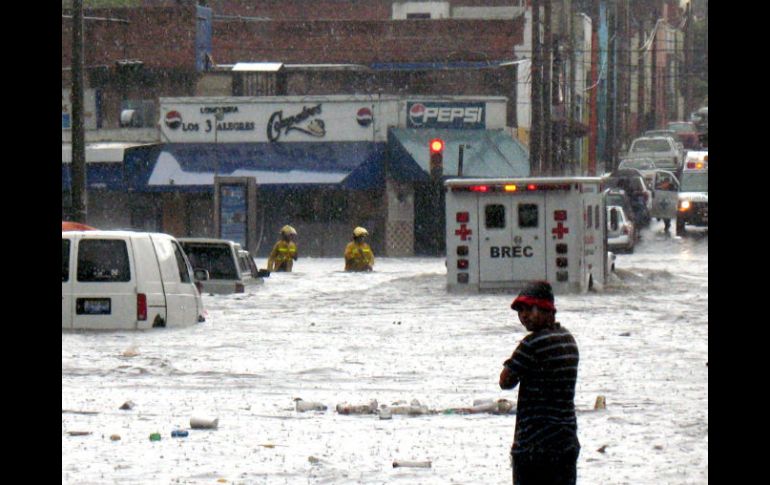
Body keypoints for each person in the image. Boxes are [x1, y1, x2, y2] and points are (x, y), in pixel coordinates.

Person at [499, 281, 580, 485]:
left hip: (534, 447)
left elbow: (505, 381)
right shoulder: (568, 339)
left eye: (529, 309)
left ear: (546, 310)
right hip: (566, 443)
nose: (524, 316)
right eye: (520, 311)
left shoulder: (532, 343)